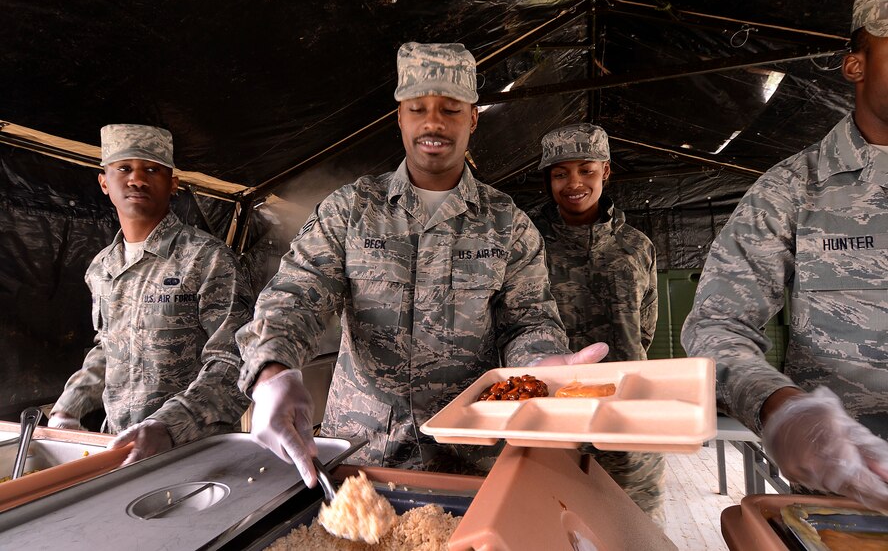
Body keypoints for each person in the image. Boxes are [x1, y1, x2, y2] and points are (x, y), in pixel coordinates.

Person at [236, 42, 609, 487]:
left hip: (471, 457)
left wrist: (541, 361)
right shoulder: (351, 209)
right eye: (418, 108)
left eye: (450, 109)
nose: (433, 122)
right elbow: (297, 294)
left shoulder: (508, 223)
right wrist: (273, 371)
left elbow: (528, 322)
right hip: (361, 456)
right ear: (400, 117)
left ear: (473, 118)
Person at [681, 0, 888, 512]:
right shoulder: (794, 189)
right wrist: (782, 407)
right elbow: (715, 323)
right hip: (851, 488)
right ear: (855, 64)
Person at [48, 124, 253, 465]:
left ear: (173, 184)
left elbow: (236, 362)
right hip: (119, 450)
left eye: (152, 170)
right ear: (104, 182)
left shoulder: (207, 258)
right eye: (124, 168)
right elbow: (108, 347)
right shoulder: (102, 267)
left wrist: (167, 425)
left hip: (195, 451)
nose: (137, 180)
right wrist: (68, 409)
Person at [528, 123, 663, 523]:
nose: (574, 183)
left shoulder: (637, 246)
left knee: (634, 529)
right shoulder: (528, 246)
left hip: (627, 425)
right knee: (551, 527)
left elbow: (645, 330)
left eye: (586, 170)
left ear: (606, 171)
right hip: (552, 424)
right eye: (560, 173)